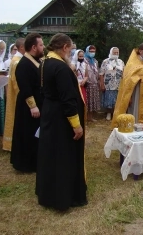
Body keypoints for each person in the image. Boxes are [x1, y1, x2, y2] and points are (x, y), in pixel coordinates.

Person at [36, 33, 87, 211]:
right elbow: (68, 99)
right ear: (64, 47)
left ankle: (48, 193)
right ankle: (63, 196)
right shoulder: (61, 68)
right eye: (71, 48)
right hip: (62, 118)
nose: (71, 51)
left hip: (50, 112)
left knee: (50, 155)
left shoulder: (45, 63)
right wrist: (76, 124)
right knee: (63, 156)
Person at [10, 33, 44, 172]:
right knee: (27, 134)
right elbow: (25, 87)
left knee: (35, 134)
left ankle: (35, 161)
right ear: (34, 47)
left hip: (39, 102)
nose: (43, 47)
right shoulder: (24, 64)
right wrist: (33, 106)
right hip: (28, 106)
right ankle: (25, 164)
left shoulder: (36, 61)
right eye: (41, 45)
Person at [112, 43, 143, 126]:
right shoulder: (132, 63)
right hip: (136, 92)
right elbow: (128, 79)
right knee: (135, 111)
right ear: (140, 51)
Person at [2, 38, 25, 151]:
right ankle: (12, 143)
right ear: (21, 47)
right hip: (17, 94)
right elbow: (17, 80)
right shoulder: (17, 61)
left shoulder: (17, 59)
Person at [99, 47, 125, 121]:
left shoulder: (121, 62)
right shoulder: (105, 61)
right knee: (109, 100)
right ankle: (108, 113)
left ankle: (116, 114)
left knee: (117, 100)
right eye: (114, 52)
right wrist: (102, 84)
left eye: (117, 52)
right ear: (111, 52)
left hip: (118, 84)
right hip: (108, 84)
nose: (116, 54)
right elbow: (101, 73)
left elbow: (124, 72)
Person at [84, 45, 100, 121]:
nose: (92, 53)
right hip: (87, 84)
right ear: (87, 51)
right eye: (91, 51)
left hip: (95, 83)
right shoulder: (84, 60)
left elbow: (97, 72)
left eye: (93, 51)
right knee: (88, 101)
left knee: (93, 101)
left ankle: (91, 117)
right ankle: (86, 117)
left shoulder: (95, 61)